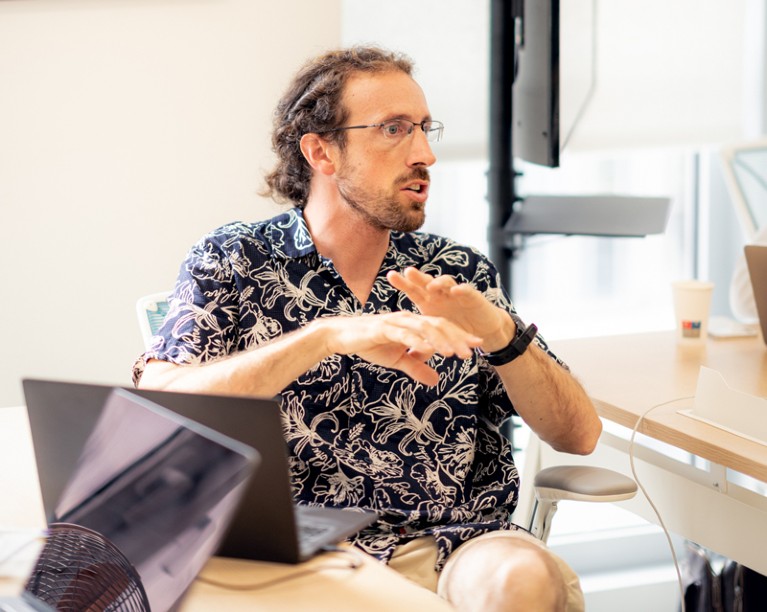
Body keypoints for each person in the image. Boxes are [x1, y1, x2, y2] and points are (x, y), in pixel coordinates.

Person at [133, 46, 602, 611]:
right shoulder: (233, 260)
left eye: (426, 129)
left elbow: (579, 436)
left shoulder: (457, 273)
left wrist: (502, 334)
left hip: (450, 547)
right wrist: (326, 336)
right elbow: (161, 400)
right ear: (322, 152)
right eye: (394, 129)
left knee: (520, 579)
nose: (424, 153)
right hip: (299, 555)